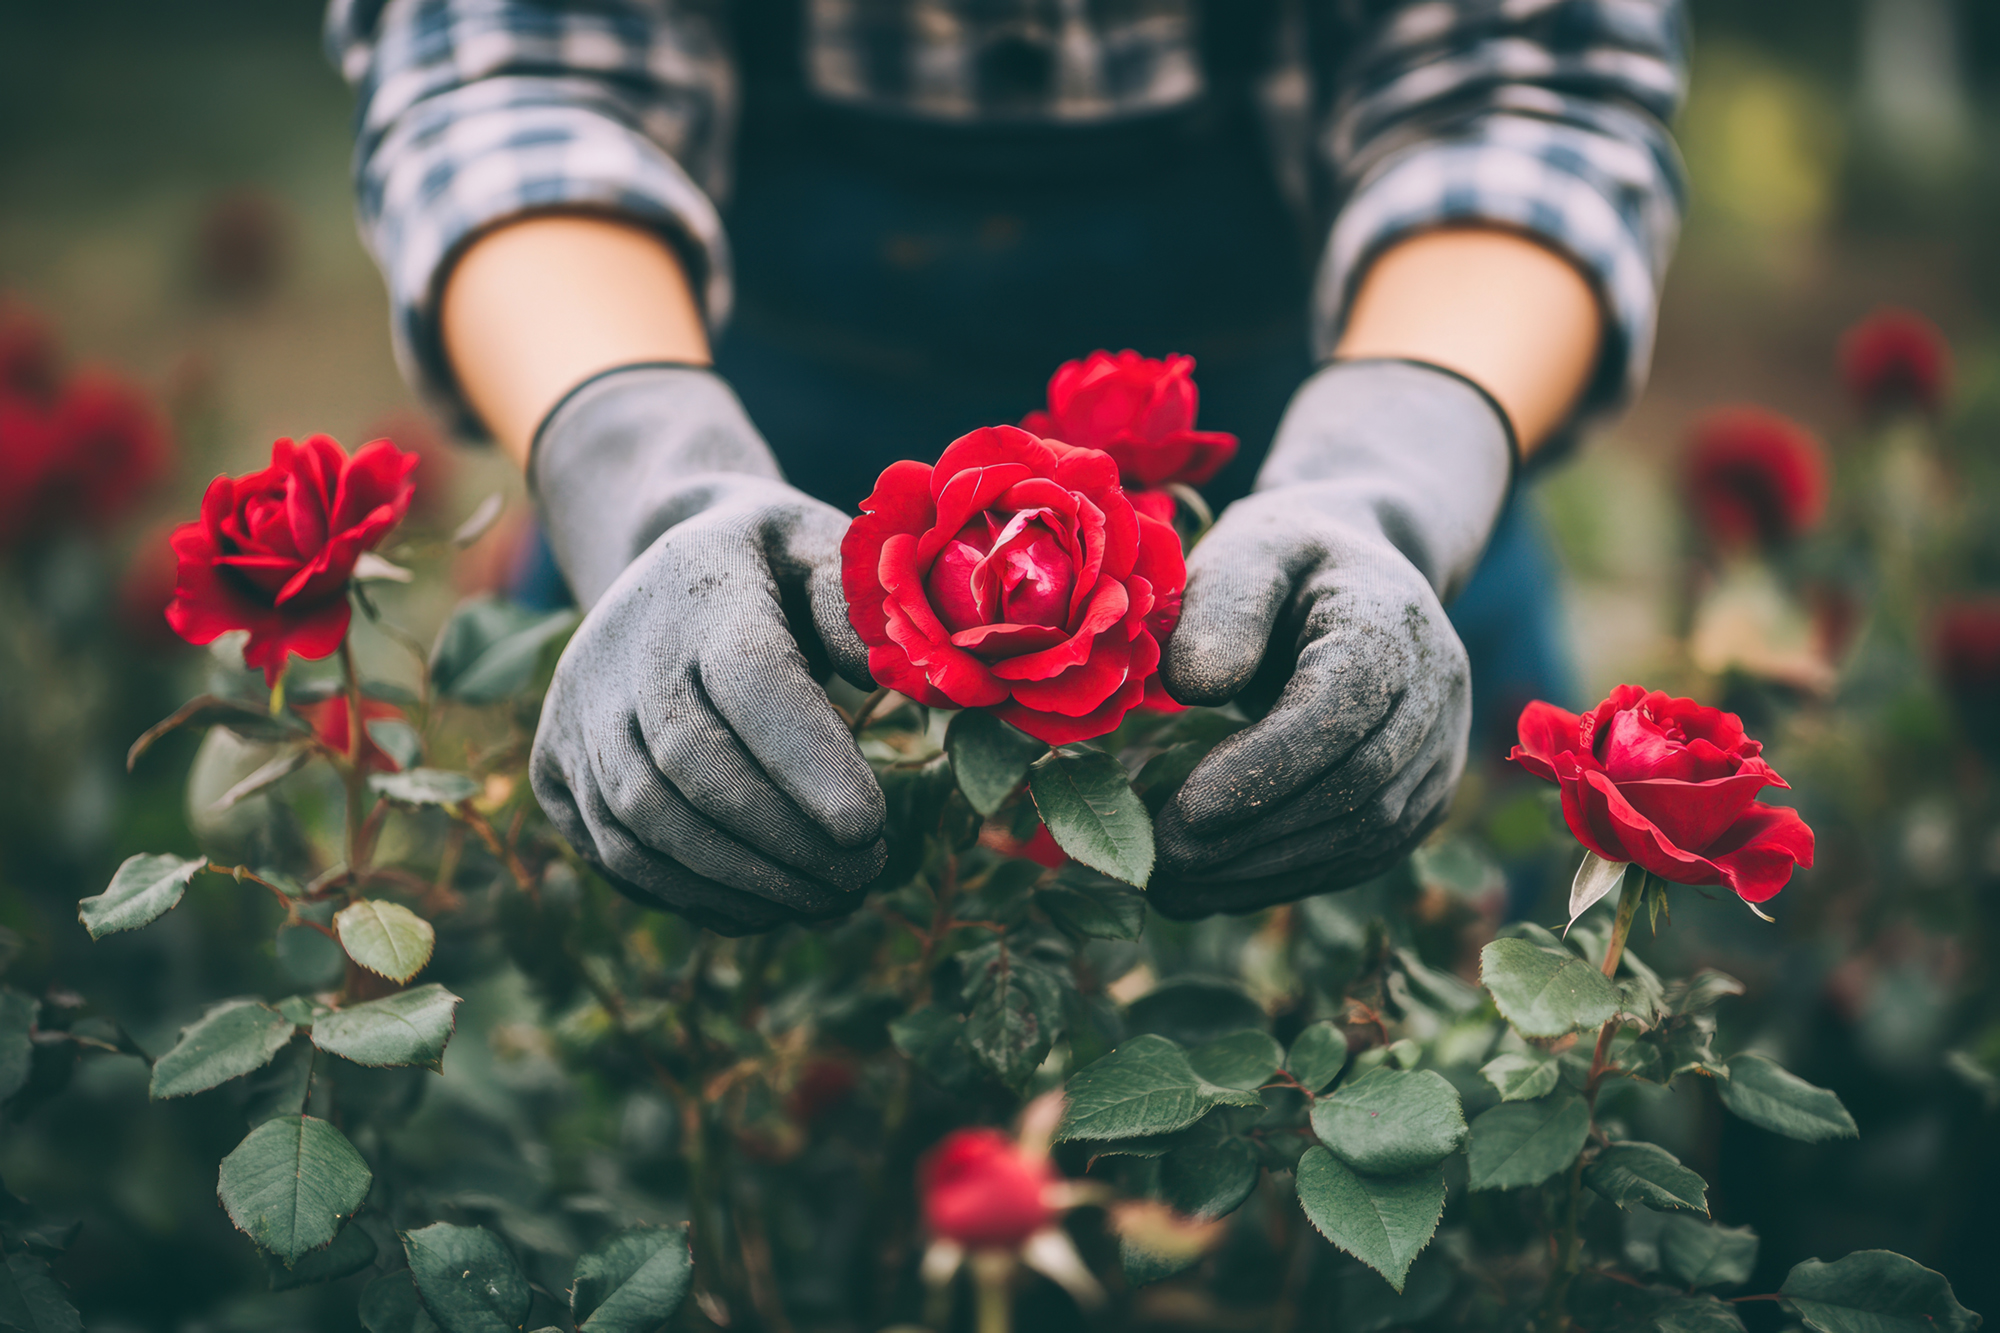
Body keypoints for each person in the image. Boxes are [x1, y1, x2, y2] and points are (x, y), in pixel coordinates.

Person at [329, 0, 1685, 931]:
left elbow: (1528, 90)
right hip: (708, 411)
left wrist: (1394, 475)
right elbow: (516, 76)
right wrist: (643, 477)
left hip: (1355, 431)